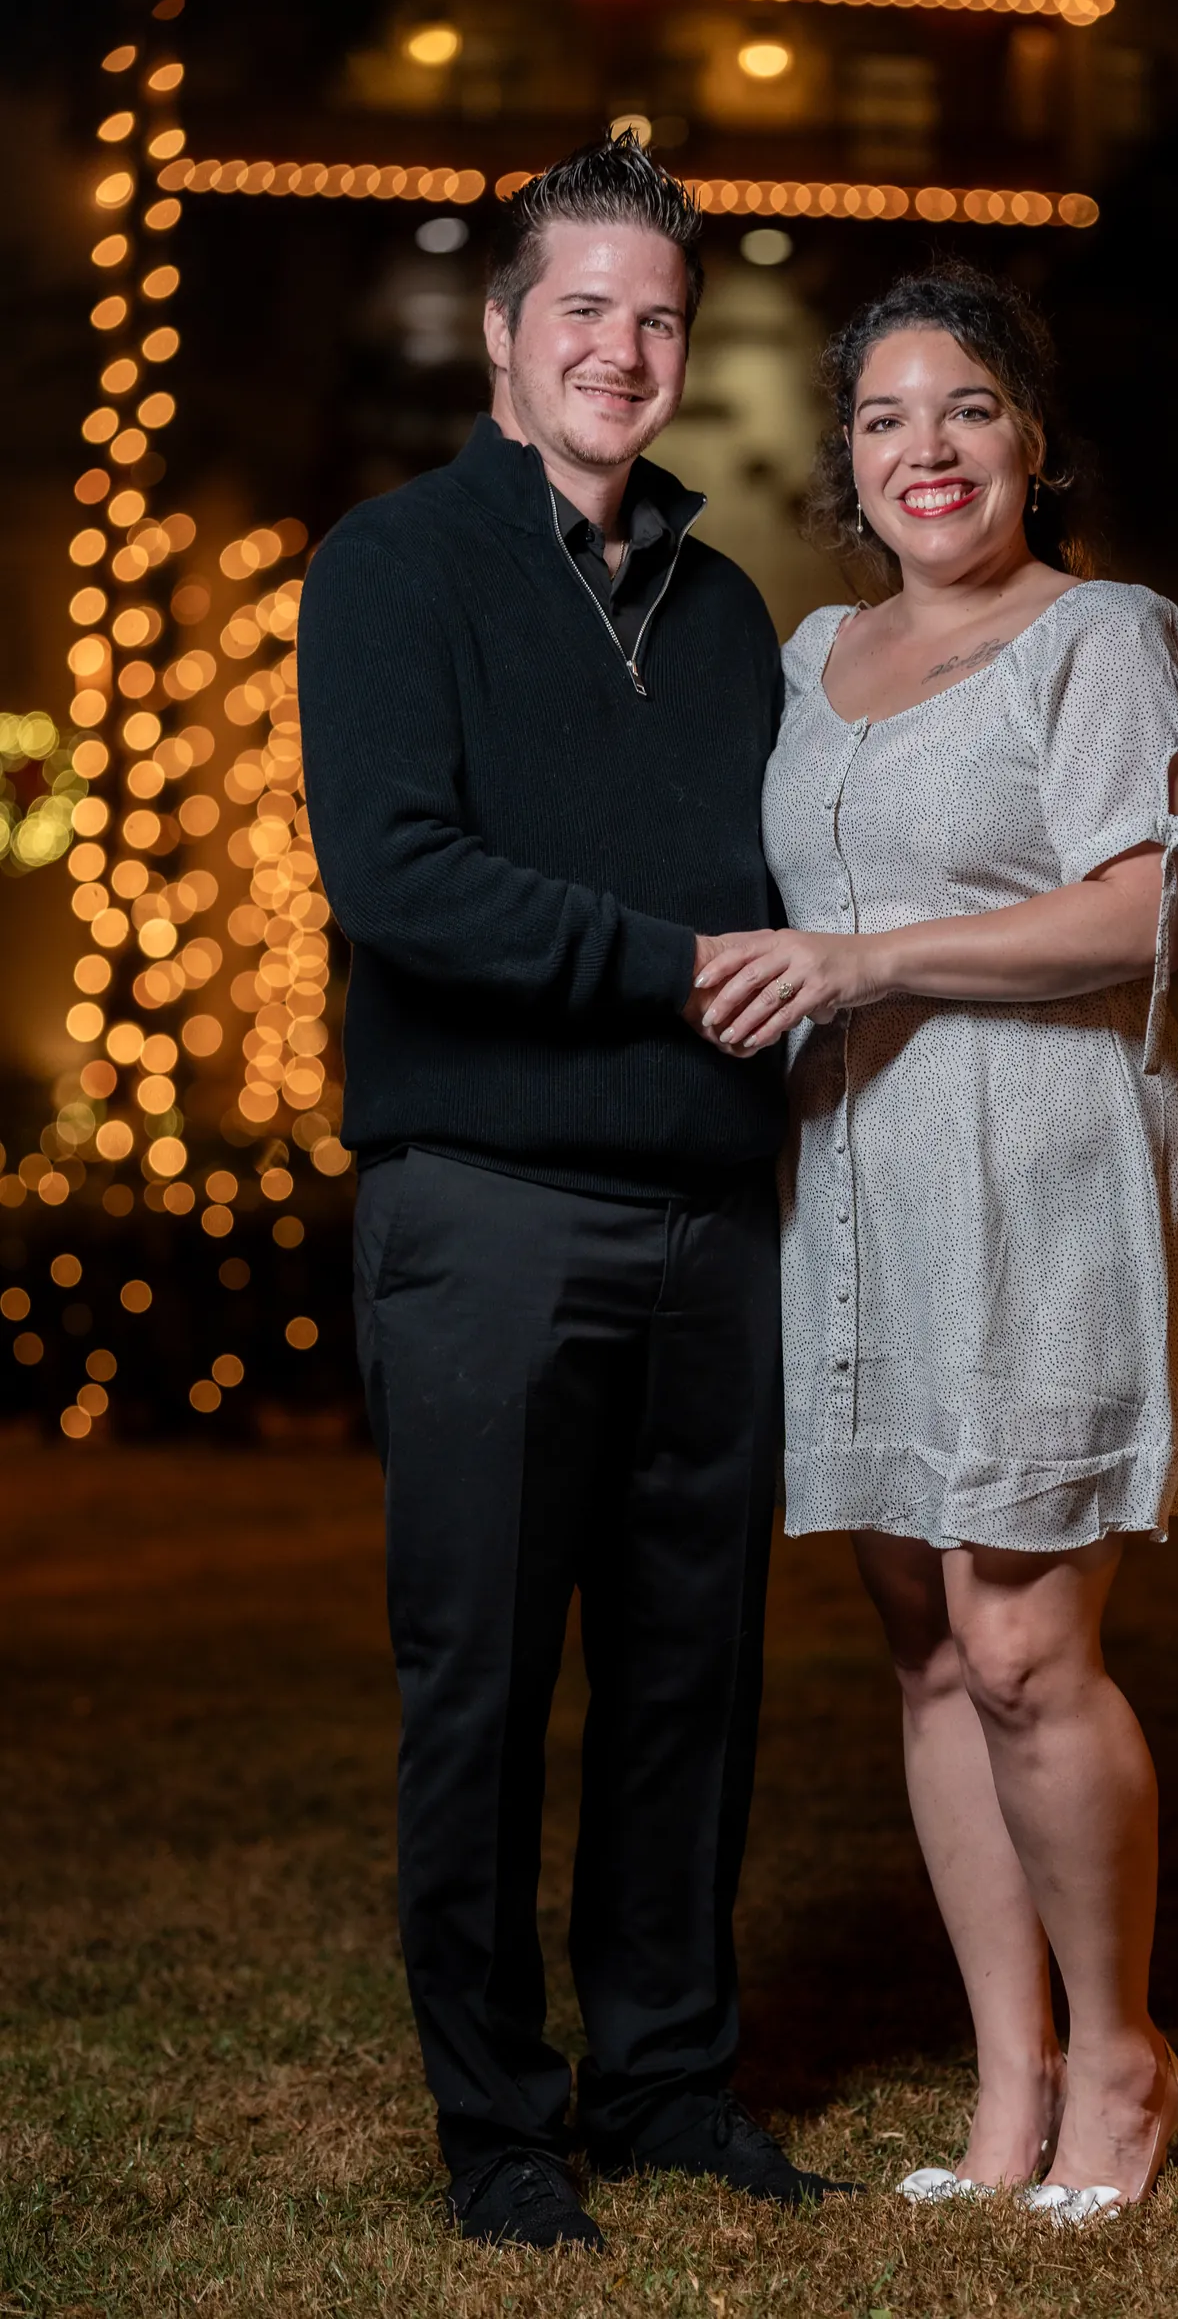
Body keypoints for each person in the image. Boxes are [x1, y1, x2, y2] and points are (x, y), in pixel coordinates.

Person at [298, 133, 849, 2255]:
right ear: (507, 339)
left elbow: (788, 892)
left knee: (690, 1683)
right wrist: (679, 967)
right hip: (487, 1213)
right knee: (483, 1680)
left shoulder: (726, 616)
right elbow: (399, 879)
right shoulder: (393, 567)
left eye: (655, 317)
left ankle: (669, 2082)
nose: (621, 347)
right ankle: (497, 2125)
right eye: (582, 310)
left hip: (711, 1220)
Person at [694, 265, 1178, 2226]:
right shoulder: (811, 654)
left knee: (1020, 1645)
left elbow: (1138, 923)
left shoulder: (1105, 635)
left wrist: (870, 959)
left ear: (1031, 439)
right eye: (882, 419)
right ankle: (1002, 2087)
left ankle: (1119, 2060)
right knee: (922, 1648)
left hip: (1038, 1172)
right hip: (848, 1190)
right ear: (845, 458)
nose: (924, 450)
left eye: (966, 411)